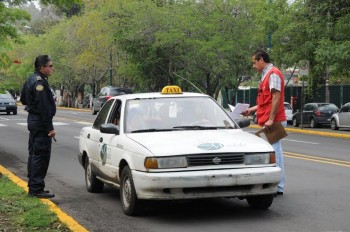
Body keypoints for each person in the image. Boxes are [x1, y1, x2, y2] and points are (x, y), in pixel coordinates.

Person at [242, 50, 287, 196]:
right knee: (274, 151)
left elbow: (276, 97)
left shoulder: (273, 73)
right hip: (268, 119)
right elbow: (265, 101)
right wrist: (251, 110)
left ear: (261, 60)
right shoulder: (266, 74)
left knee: (274, 152)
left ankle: (278, 186)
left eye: (254, 62)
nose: (253, 66)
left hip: (273, 120)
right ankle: (278, 186)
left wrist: (272, 118)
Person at [20, 55, 56, 199]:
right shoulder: (40, 82)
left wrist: (32, 105)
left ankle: (34, 186)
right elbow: (44, 108)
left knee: (34, 154)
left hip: (34, 120)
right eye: (50, 66)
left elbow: (23, 100)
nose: (52, 69)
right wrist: (50, 128)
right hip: (40, 123)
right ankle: (36, 188)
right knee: (40, 155)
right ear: (42, 67)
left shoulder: (30, 79)